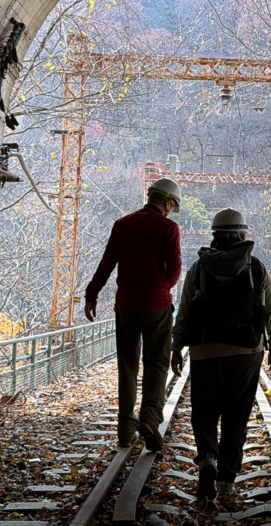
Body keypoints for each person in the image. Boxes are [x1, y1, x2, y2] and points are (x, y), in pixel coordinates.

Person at [171, 208, 271, 499]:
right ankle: (226, 481)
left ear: (214, 234)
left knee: (204, 410)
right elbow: (270, 309)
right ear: (243, 234)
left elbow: (185, 310)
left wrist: (176, 346)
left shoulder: (200, 266)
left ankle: (208, 457)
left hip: (204, 349)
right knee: (237, 415)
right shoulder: (256, 267)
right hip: (246, 350)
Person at [85, 177, 183, 451]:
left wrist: (92, 294)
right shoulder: (168, 228)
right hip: (156, 305)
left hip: (126, 305)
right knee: (157, 364)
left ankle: (125, 431)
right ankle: (149, 419)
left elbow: (107, 263)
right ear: (167, 203)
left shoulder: (122, 224)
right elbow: (175, 269)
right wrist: (162, 287)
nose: (171, 211)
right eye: (172, 207)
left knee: (127, 366)